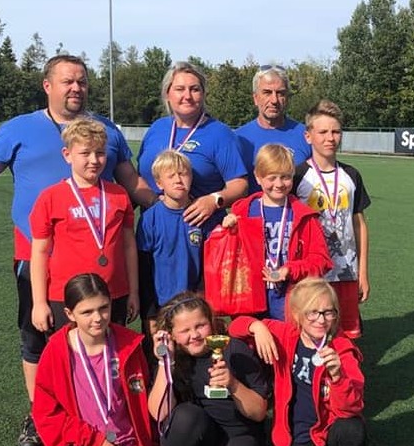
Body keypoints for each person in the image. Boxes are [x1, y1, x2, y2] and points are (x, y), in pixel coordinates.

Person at [0, 54, 155, 446]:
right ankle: (40, 413)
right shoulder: (19, 128)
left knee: (100, 335)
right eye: (67, 81)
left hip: (96, 263)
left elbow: (131, 181)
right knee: (37, 336)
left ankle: (101, 411)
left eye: (82, 81)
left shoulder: (104, 131)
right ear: (47, 86)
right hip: (36, 256)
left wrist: (171, 206)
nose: (75, 88)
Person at [228, 277, 368, 446]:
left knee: (353, 429)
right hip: (300, 438)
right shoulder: (285, 335)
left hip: (330, 432)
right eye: (313, 312)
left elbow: (352, 408)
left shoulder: (342, 349)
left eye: (328, 312)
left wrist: (338, 377)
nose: (321, 320)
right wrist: (257, 327)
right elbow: (235, 327)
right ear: (297, 315)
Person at [32, 273, 157, 446]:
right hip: (79, 443)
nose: (98, 318)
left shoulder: (129, 344)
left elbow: (141, 397)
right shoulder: (57, 350)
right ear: (69, 313)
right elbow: (46, 413)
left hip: (122, 442)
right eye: (86, 312)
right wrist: (92, 441)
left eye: (103, 308)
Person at [147, 292, 269, 446]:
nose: (194, 335)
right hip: (198, 428)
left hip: (237, 433)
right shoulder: (172, 359)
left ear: (211, 323)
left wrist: (233, 384)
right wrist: (166, 363)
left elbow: (260, 412)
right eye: (184, 330)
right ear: (171, 334)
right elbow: (159, 413)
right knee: (184, 416)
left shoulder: (234, 350)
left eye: (200, 326)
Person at [30, 118, 139, 337]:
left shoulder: (119, 194)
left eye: (100, 153)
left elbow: (129, 246)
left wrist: (133, 292)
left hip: (113, 294)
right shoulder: (50, 198)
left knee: (112, 353)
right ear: (67, 155)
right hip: (65, 297)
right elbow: (40, 252)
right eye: (85, 153)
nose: (94, 160)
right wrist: (39, 302)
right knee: (69, 354)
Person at [222, 143, 331, 320]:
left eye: (285, 177)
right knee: (246, 337)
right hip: (249, 301)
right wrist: (228, 230)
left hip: (291, 302)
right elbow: (229, 256)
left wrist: (290, 270)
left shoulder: (304, 216)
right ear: (258, 177)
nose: (279, 184)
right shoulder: (242, 211)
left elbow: (322, 261)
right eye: (271, 178)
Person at [293, 100, 370, 339]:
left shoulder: (351, 175)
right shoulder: (298, 176)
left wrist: (363, 272)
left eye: (336, 132)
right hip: (312, 272)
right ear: (308, 136)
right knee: (313, 333)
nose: (330, 138)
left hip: (347, 270)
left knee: (347, 335)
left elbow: (359, 224)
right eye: (323, 132)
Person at [137, 61, 248, 228]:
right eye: (180, 89)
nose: (187, 96)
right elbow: (139, 176)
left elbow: (240, 185)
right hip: (155, 231)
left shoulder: (220, 134)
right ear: (167, 94)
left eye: (194, 89)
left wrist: (214, 200)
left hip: (201, 231)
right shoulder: (156, 128)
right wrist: (152, 200)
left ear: (203, 94)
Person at [136, 149, 216, 339]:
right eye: (171, 176)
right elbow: (143, 269)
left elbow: (210, 263)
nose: (178, 180)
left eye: (183, 174)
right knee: (161, 352)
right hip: (161, 306)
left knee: (194, 348)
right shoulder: (150, 218)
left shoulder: (201, 215)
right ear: (159, 183)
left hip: (194, 305)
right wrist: (149, 314)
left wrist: (204, 300)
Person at [234, 64, 310, 194]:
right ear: (255, 98)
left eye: (280, 93)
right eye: (267, 93)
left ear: (287, 98)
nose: (274, 100)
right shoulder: (237, 139)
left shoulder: (306, 136)